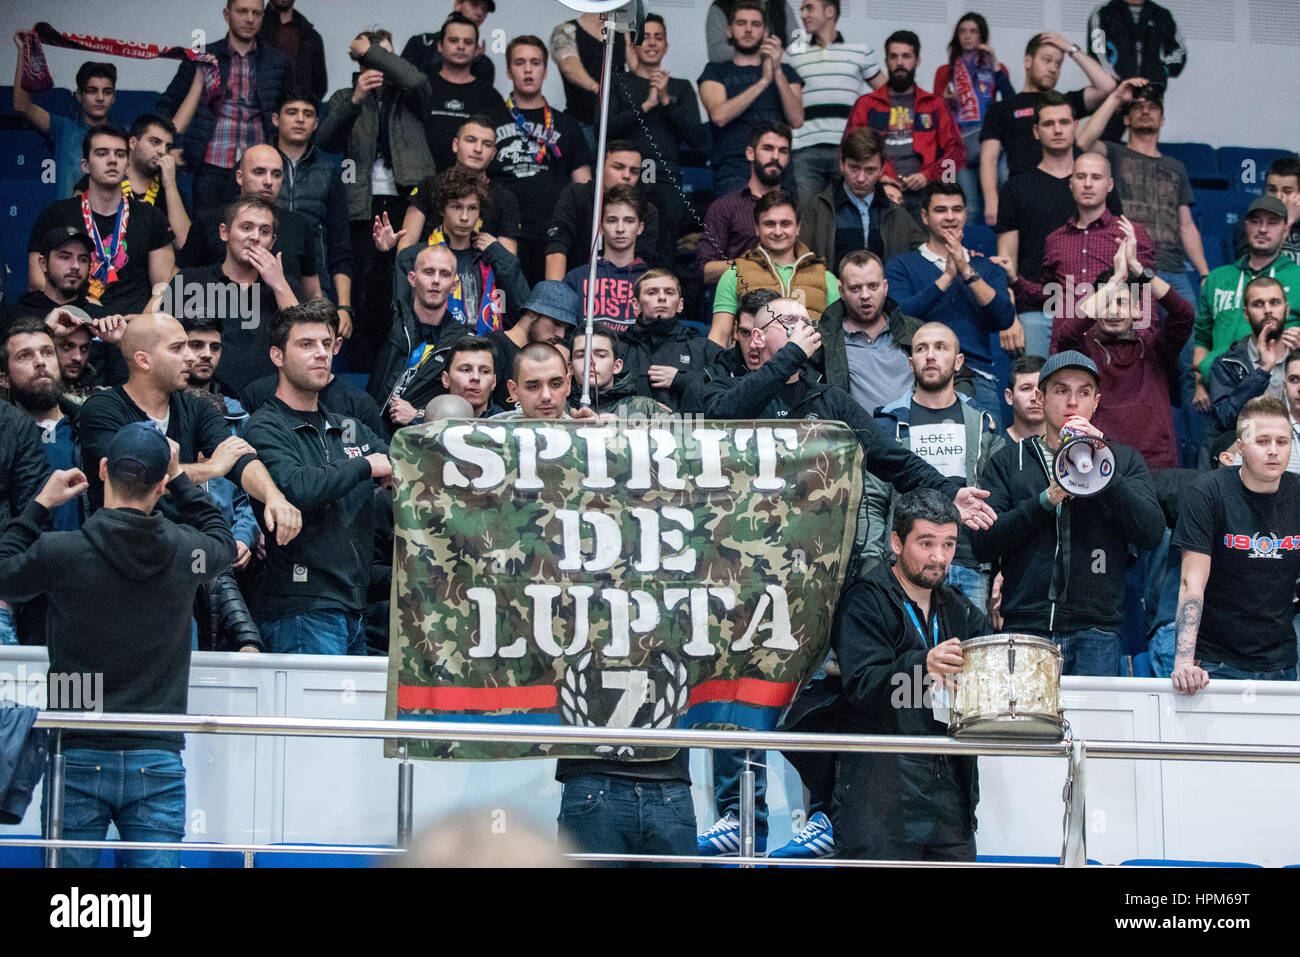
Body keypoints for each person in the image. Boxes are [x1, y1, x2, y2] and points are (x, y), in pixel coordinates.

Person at [0, 426, 233, 866]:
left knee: (70, 909)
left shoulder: (60, 552)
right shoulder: (189, 553)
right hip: (157, 755)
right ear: (162, 483)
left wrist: (39, 505)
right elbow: (222, 541)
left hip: (76, 751)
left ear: (103, 470)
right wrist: (182, 477)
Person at [971, 350, 1164, 675]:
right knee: (1030, 727)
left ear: (1096, 402)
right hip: (1026, 624)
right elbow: (984, 542)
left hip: (1096, 628)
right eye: (1061, 390)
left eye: (1083, 392)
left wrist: (1104, 467)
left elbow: (1150, 532)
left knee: (1095, 727)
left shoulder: (1124, 460)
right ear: (1042, 398)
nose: (1072, 402)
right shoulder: (1007, 461)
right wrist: (1047, 500)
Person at [833, 487, 984, 861]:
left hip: (948, 792)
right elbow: (863, 688)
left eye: (949, 544)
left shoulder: (959, 609)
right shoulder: (865, 600)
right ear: (897, 542)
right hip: (881, 794)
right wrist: (923, 667)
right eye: (927, 543)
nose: (939, 557)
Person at [77, 313, 302, 549]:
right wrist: (211, 468)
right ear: (144, 361)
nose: (190, 357)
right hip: (118, 549)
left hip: (181, 553)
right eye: (177, 348)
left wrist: (273, 496)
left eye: (188, 345)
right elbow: (134, 475)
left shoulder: (197, 406)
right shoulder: (101, 408)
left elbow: (239, 457)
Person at [243, 301, 391, 654]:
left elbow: (399, 464)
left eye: (327, 344)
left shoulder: (348, 426)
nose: (321, 354)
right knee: (308, 711)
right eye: (306, 345)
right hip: (300, 606)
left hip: (355, 605)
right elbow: (298, 488)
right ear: (277, 356)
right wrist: (367, 466)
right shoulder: (264, 426)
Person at [319, 29, 436, 370]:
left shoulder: (410, 95)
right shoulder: (346, 95)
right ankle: (359, 368)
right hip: (361, 205)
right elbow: (326, 140)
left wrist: (369, 50)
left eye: (381, 55)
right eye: (368, 56)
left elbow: (416, 81)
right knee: (365, 286)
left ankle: (404, 361)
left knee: (404, 283)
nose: (376, 62)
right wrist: (355, 99)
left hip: (407, 201)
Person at [867, 323, 1004, 607]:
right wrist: (874, 565)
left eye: (940, 347)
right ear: (910, 362)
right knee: (908, 651)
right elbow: (872, 500)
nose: (930, 356)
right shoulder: (887, 423)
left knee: (965, 652)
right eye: (921, 349)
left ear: (958, 361)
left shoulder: (983, 423)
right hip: (903, 565)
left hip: (969, 563)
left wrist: (1000, 566)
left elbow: (999, 501)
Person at [1171, 396, 1300, 693]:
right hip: (1216, 661)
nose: (1273, 451)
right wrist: (1183, 663)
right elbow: (1191, 583)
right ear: (1240, 447)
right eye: (1262, 441)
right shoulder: (1208, 492)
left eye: (1282, 442)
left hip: (1281, 659)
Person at [1051, 215, 1194, 469]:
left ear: (1138, 310)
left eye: (1121, 303)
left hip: (1156, 463)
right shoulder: (1085, 351)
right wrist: (1116, 279)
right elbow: (1067, 334)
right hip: (1101, 462)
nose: (1113, 311)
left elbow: (1184, 314)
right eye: (1107, 303)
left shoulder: (1155, 348)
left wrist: (1138, 270)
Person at [992, 92, 1124, 360]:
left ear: (1076, 126)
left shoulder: (1097, 187)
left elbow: (1117, 250)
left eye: (1064, 122)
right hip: (1034, 311)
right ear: (1036, 131)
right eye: (1049, 124)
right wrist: (1009, 317)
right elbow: (1006, 261)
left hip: (1090, 305)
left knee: (1094, 394)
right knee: (1036, 394)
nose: (1057, 129)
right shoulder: (1016, 188)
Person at [883, 182, 1015, 416]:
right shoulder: (901, 265)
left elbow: (1003, 318)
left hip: (978, 376)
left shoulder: (986, 268)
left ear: (966, 214)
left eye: (957, 209)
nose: (950, 217)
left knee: (987, 450)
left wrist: (966, 271)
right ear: (924, 216)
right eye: (940, 210)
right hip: (920, 376)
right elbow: (898, 315)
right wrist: (946, 277)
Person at [996, 153, 1153, 348]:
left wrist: (1142, 342)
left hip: (1114, 343)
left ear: (1110, 185)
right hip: (1067, 344)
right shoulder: (1056, 239)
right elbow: (1052, 296)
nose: (1088, 184)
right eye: (1081, 177)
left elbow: (1146, 293)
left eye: (1096, 177)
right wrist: (1016, 280)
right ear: (1070, 184)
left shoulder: (1130, 232)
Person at [156, 0, 295, 212]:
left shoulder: (278, 61)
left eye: (256, 13)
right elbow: (167, 105)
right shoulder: (201, 57)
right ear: (226, 14)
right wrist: (171, 147)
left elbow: (288, 111)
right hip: (210, 164)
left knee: (255, 229)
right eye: (242, 11)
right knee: (209, 234)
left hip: (257, 168)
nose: (249, 19)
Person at [162, 195, 301, 398]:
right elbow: (163, 342)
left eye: (264, 231)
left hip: (269, 403)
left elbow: (303, 339)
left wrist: (279, 285)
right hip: (199, 399)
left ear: (272, 242)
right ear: (224, 232)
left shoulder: (286, 287)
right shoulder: (190, 280)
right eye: (246, 227)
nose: (255, 237)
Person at [27, 126, 175, 316]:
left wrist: (140, 326)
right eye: (102, 153)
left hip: (130, 329)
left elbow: (162, 288)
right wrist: (77, 313)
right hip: (73, 324)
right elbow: (37, 280)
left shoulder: (152, 217)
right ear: (85, 165)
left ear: (128, 166)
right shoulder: (55, 215)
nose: (112, 160)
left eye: (120, 154)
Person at [979, 31, 1116, 226]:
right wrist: (992, 200)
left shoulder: (1065, 103)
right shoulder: (1003, 108)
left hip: (1069, 194)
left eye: (1058, 64)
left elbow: (1107, 86)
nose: (1053, 68)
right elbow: (989, 157)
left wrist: (1071, 49)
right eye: (1047, 60)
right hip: (1024, 195)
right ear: (1028, 61)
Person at [492, 35, 594, 286]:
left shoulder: (567, 124)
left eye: (535, 63)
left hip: (553, 233)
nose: (528, 69)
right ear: (508, 70)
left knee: (548, 306)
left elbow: (584, 185)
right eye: (520, 62)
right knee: (507, 307)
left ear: (546, 71)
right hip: (502, 229)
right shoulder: (489, 120)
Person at [608, 14, 707, 268]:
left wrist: (665, 100)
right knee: (623, 245)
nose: (651, 43)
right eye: (645, 37)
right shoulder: (618, 82)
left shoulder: (680, 87)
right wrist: (646, 105)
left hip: (667, 179)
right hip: (626, 177)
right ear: (633, 44)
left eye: (658, 37)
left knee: (664, 253)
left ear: (666, 46)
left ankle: (660, 305)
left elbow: (697, 139)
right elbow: (605, 130)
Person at [392, 166, 531, 334]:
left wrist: (500, 253)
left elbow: (525, 308)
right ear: (442, 209)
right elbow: (398, 318)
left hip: (487, 351)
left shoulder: (491, 257)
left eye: (472, 208)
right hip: (431, 351)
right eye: (456, 207)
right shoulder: (415, 257)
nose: (465, 217)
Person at [843, 30, 964, 222]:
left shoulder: (935, 105)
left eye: (906, 56)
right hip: (876, 190)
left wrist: (928, 175)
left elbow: (955, 154)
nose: (900, 63)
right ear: (886, 61)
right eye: (894, 56)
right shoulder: (867, 104)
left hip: (925, 193)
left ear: (917, 61)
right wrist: (879, 175)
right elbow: (848, 150)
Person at [178, 144, 321, 299]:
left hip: (283, 318)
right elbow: (182, 278)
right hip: (217, 315)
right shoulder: (208, 221)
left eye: (276, 174)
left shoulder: (299, 224)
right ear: (240, 177)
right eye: (259, 172)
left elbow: (313, 294)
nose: (268, 181)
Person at [1195, 197, 1300, 398]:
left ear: (1285, 231)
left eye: (1272, 222)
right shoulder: (1217, 278)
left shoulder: (1297, 276)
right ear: (1246, 226)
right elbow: (1202, 336)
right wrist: (1199, 384)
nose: (1263, 229)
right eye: (1256, 221)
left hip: (1277, 392)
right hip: (1221, 391)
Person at [698, 0, 804, 197]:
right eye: (741, 23)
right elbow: (719, 116)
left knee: (784, 226)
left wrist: (777, 71)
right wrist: (763, 82)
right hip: (733, 168)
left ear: (765, 33)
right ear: (729, 31)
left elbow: (797, 119)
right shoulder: (715, 70)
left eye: (755, 24)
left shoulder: (787, 72)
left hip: (778, 169)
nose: (748, 30)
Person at [270, 90, 353, 336]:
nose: (299, 120)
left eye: (308, 115)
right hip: (260, 278)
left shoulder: (329, 173)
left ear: (316, 123)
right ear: (276, 119)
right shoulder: (259, 165)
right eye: (292, 112)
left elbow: (341, 245)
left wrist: (345, 306)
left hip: (315, 280)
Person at [783, 0, 884, 202]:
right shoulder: (792, 54)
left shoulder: (860, 52)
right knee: (809, 221)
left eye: (809, 8)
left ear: (829, 11)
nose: (803, 14)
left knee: (849, 218)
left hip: (849, 151)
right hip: (804, 150)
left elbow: (888, 97)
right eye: (802, 9)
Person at [710, 189, 838, 346]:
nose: (778, 232)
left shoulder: (825, 278)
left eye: (785, 224)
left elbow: (836, 341)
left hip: (811, 366)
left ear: (798, 228)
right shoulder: (734, 274)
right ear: (757, 228)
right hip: (753, 367)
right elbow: (719, 337)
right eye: (769, 224)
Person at [370, 244, 470, 433]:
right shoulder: (392, 322)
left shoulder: (462, 342)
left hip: (424, 439)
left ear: (454, 286)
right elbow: (373, 300)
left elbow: (469, 404)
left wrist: (418, 415)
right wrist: (383, 256)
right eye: (429, 272)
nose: (436, 281)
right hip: (374, 432)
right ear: (412, 278)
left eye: (445, 274)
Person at [799, 128, 926, 271]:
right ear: (842, 164)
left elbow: (925, 258)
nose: (860, 178)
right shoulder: (817, 209)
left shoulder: (897, 214)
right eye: (854, 168)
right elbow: (801, 262)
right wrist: (829, 283)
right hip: (832, 292)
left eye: (870, 170)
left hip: (886, 292)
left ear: (882, 169)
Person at [0, 319, 84, 531]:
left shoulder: (89, 426)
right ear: (4, 379)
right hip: (23, 558)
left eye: (47, 352)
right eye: (25, 356)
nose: (40, 362)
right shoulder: (5, 438)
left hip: (87, 557)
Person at [394, 116, 520, 257]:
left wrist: (496, 249)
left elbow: (510, 265)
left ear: (493, 154)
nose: (478, 149)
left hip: (483, 276)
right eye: (471, 140)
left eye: (487, 144)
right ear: (455, 144)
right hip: (429, 273)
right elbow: (405, 246)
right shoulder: (429, 186)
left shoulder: (506, 199)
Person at [814, 250, 921, 416]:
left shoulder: (914, 331)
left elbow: (957, 377)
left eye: (873, 286)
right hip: (856, 437)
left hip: (911, 433)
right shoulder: (823, 341)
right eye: (855, 288)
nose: (865, 295)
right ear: (841, 291)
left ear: (885, 287)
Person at [933, 13, 1014, 225]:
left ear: (982, 35)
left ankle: (996, 247)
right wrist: (946, 100)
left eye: (973, 31)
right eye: (962, 31)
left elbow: (1011, 102)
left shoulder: (998, 68)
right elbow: (933, 111)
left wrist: (994, 63)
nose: (967, 36)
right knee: (965, 202)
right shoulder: (945, 71)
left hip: (989, 139)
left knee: (999, 191)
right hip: (958, 142)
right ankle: (965, 252)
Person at [610, 269, 726, 410]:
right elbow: (602, 394)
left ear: (680, 304)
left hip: (689, 429)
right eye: (652, 292)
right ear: (636, 304)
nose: (662, 298)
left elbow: (732, 383)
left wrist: (682, 379)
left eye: (669, 292)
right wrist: (644, 407)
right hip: (630, 428)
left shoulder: (704, 349)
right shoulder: (618, 348)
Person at [1207, 277, 1299, 455]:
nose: (1268, 310)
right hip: (1248, 460)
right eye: (1258, 304)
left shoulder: (1298, 354)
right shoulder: (1227, 364)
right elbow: (1227, 420)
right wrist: (1263, 371)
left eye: (1274, 302)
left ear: (1286, 310)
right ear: (1246, 314)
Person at [10, 47, 115, 200]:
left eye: (107, 92)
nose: (100, 98)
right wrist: (23, 51)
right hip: (66, 219)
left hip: (110, 220)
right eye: (92, 91)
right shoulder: (63, 128)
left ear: (113, 97)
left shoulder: (123, 135)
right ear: (79, 95)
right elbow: (22, 105)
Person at [545, 142, 661, 279]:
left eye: (634, 171)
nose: (627, 175)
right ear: (599, 168)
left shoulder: (646, 210)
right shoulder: (576, 195)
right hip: (574, 286)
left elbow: (644, 265)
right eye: (618, 167)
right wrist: (555, 295)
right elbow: (557, 247)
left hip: (623, 291)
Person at [697, 122, 792, 286]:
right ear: (750, 153)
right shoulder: (725, 207)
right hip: (738, 299)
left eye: (782, 151)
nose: (775, 156)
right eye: (768, 148)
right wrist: (751, 265)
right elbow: (705, 271)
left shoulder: (797, 207)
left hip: (789, 298)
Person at [1085, 0, 1185, 142]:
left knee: (1146, 147)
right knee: (1103, 147)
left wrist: (1159, 73)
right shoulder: (1102, 13)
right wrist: (1118, 83)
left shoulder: (1162, 15)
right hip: (1116, 95)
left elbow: (1178, 53)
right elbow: (1096, 52)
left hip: (1150, 95)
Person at [422, 12, 510, 172]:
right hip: (423, 183)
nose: (461, 46)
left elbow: (498, 146)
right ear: (440, 46)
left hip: (471, 187)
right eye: (454, 40)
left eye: (468, 42)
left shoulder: (490, 96)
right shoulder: (423, 87)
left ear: (477, 49)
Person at [562, 185, 648, 335]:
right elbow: (563, 334)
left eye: (628, 221)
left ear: (640, 227)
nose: (620, 229)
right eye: (612, 220)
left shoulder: (651, 281)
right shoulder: (576, 278)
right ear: (600, 227)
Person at [486, 281, 582, 413]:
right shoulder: (492, 347)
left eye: (566, 327)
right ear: (532, 312)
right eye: (556, 323)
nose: (560, 334)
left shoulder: (551, 358)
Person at [549, 9, 632, 152]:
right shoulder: (566, 30)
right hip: (583, 122)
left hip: (614, 123)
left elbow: (635, 66)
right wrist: (598, 89)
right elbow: (568, 66)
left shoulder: (621, 31)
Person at [120, 115, 190, 249]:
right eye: (155, 142)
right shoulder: (109, 175)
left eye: (168, 147)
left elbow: (184, 244)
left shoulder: (171, 189)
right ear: (133, 143)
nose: (163, 151)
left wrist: (170, 185)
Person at [402, 0, 496, 84]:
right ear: (458, 4)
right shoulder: (420, 44)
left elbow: (482, 99)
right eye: (474, 4)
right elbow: (403, 85)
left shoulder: (484, 63)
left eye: (484, 9)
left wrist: (474, 62)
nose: (480, 13)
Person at [1232, 157, 1300, 267]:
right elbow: (1256, 269)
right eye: (1272, 190)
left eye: (1287, 192)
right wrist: (1289, 222)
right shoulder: (1253, 224)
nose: (1278, 197)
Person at [259, 0, 328, 105]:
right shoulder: (253, 30)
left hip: (299, 114)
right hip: (258, 115)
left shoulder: (311, 37)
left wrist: (304, 109)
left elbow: (320, 85)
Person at [706, 0, 799, 63]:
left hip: (779, 74)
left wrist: (782, 54)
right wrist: (760, 51)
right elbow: (716, 53)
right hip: (738, 77)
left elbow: (800, 44)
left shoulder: (781, 4)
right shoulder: (721, 7)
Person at [440, 335, 501, 418]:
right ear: (446, 379)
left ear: (493, 382)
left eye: (485, 371)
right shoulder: (426, 425)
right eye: (465, 370)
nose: (476, 377)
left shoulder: (506, 426)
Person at [1004, 354, 1047, 442]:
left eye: (1042, 388)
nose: (1035, 398)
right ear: (1009, 397)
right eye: (1026, 388)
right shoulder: (996, 447)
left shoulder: (1066, 446)